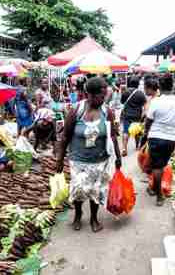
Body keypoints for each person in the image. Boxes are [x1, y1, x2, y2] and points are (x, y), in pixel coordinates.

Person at [57, 76, 122, 232]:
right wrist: (59, 160)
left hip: (100, 161)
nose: (105, 98)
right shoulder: (76, 111)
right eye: (102, 95)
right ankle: (78, 215)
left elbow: (112, 136)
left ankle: (94, 218)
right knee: (79, 190)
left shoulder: (107, 112)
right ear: (90, 94)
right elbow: (65, 136)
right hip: (78, 160)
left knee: (96, 190)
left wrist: (118, 157)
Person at [142, 74, 175, 206]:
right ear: (172, 86)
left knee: (157, 166)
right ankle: (153, 188)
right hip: (171, 138)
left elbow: (148, 120)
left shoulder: (157, 101)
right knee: (160, 164)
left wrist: (145, 132)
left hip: (156, 137)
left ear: (159, 86)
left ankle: (159, 194)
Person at [120, 76, 146, 156]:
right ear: (138, 84)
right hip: (137, 115)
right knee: (137, 132)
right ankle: (137, 146)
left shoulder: (126, 92)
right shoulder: (140, 93)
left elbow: (122, 102)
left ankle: (124, 148)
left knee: (125, 131)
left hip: (127, 115)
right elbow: (145, 105)